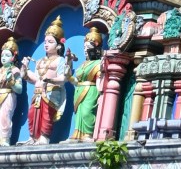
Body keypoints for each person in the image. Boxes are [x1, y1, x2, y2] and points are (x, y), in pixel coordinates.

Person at [22, 16, 69, 144]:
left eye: (50, 42)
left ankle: (44, 137)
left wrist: (50, 80)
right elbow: (35, 79)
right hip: (37, 92)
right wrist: (25, 69)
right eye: (45, 41)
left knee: (46, 115)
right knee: (32, 114)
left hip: (51, 93)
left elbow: (63, 78)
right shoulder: (40, 61)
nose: (46, 44)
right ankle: (33, 137)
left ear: (58, 46)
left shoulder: (60, 60)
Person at [70, 27, 104, 141]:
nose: (85, 50)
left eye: (88, 47)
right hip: (79, 90)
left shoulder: (98, 63)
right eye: (84, 47)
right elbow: (76, 81)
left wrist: (101, 93)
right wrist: (68, 76)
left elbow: (99, 79)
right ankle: (78, 135)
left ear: (96, 47)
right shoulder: (83, 64)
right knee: (79, 114)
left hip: (91, 90)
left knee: (87, 112)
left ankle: (88, 134)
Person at [0, 38, 24, 146]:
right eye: (2, 55)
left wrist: (11, 82)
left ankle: (5, 139)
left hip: (8, 95)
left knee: (5, 117)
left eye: (7, 55)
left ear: (13, 57)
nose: (3, 57)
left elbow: (19, 89)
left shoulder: (15, 70)